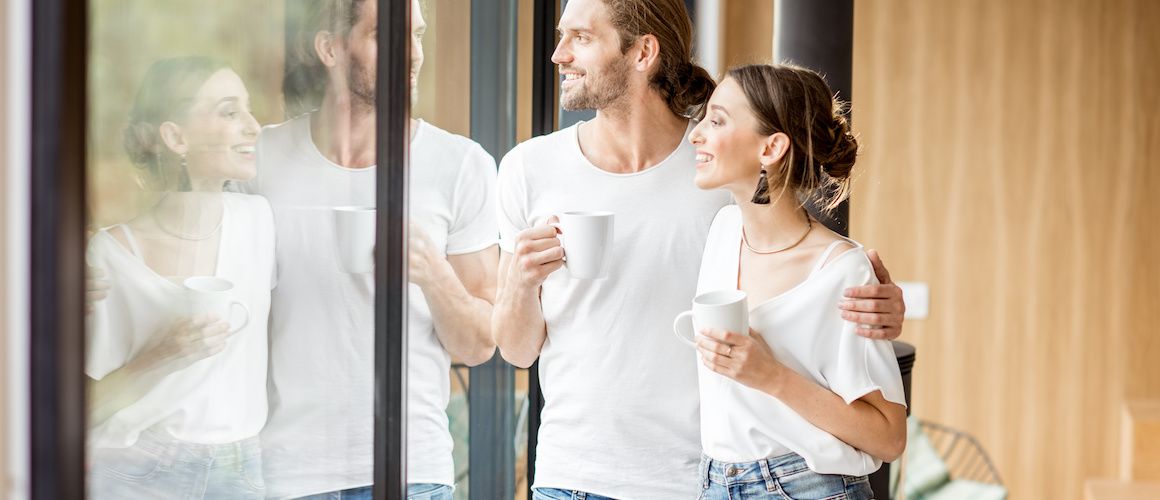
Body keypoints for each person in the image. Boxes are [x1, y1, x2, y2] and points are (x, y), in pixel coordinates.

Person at [492, 0, 907, 498]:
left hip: (694, 478)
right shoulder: (527, 169)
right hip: (571, 474)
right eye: (561, 36)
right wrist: (519, 280)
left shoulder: (717, 177)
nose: (559, 54)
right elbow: (516, 351)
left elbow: (795, 256)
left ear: (644, 51)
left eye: (581, 36)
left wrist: (873, 300)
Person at [249, 0, 498, 498]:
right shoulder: (263, 160)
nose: (413, 54)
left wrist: (431, 272)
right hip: (288, 473)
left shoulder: (461, 166)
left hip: (412, 472)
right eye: (389, 36)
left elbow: (478, 345)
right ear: (330, 48)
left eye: (419, 36)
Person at [687, 63, 907, 500]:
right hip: (715, 482)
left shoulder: (843, 270)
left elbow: (889, 437)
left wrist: (771, 376)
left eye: (717, 120)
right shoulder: (724, 230)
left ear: (771, 147)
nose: (696, 134)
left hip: (806, 487)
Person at [85, 56, 273, 499]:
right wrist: (163, 353)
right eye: (230, 112)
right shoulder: (108, 259)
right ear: (175, 137)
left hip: (241, 468)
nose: (254, 126)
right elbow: (81, 409)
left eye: (248, 109)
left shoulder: (260, 222)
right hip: (135, 471)